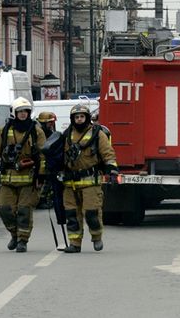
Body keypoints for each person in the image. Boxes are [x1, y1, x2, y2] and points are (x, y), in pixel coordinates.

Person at [0, 97, 46, 252]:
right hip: (7, 179)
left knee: (24, 210)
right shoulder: (4, 131)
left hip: (28, 180)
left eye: (26, 111)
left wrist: (41, 175)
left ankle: (22, 241)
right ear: (14, 113)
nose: (23, 114)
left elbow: (43, 156)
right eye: (20, 111)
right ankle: (14, 234)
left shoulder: (36, 132)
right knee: (4, 208)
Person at [60, 104, 118, 253]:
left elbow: (108, 153)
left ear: (87, 118)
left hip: (91, 181)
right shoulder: (66, 135)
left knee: (92, 213)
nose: (79, 120)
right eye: (76, 117)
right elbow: (59, 156)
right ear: (72, 119)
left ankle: (96, 237)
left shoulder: (97, 134)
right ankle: (74, 243)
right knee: (72, 214)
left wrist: (112, 171)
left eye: (82, 116)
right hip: (70, 183)